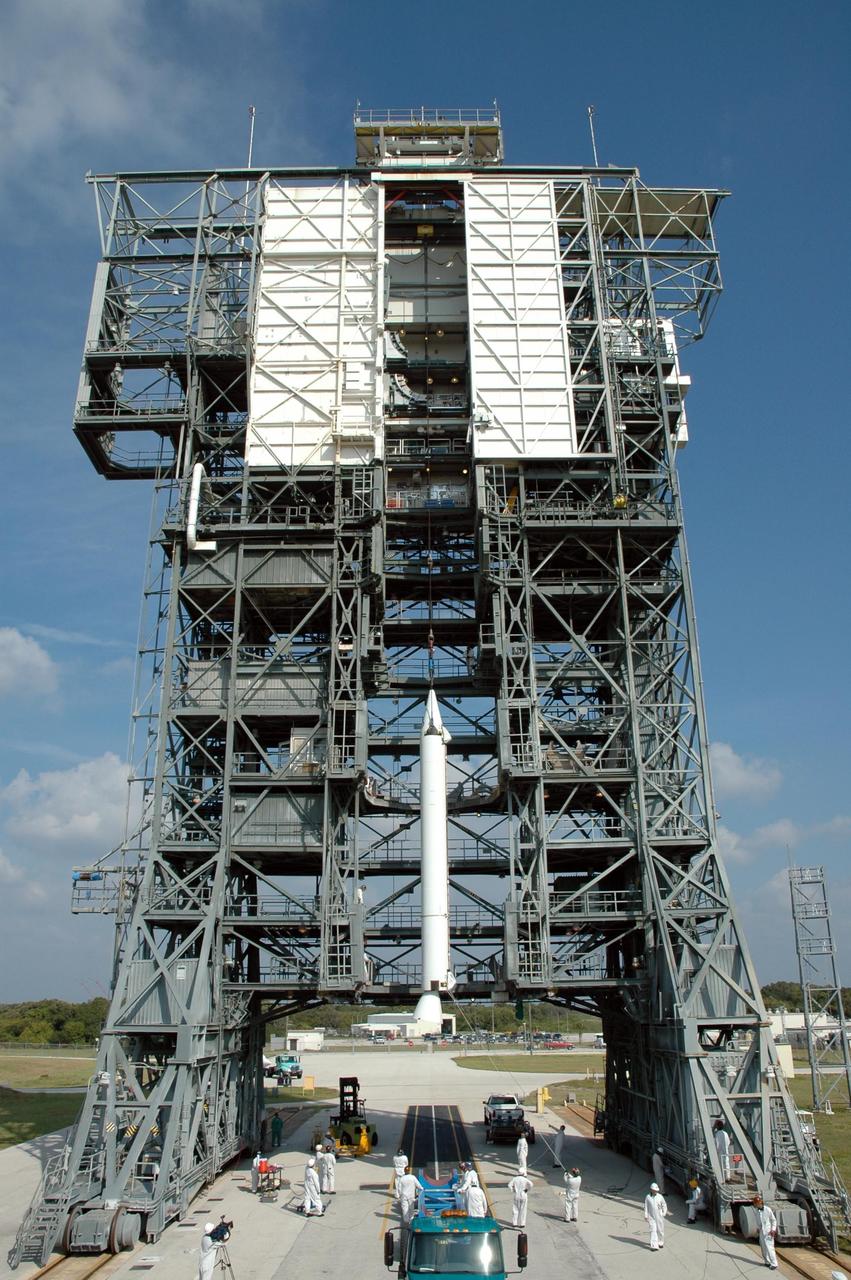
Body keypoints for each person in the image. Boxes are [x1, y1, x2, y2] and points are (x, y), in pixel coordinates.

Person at [753, 1196, 778, 1269]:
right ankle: (767, 1262)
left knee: (770, 1248)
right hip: (761, 1232)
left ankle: (774, 1264)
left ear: (760, 1203)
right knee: (763, 1248)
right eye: (755, 1204)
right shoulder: (757, 1211)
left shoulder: (768, 1210)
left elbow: (773, 1220)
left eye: (756, 1204)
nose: (756, 1205)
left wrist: (773, 1230)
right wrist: (758, 1228)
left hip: (768, 1232)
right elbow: (758, 1221)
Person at [644, 1182, 668, 1251]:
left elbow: (664, 1205)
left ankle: (660, 1242)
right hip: (651, 1217)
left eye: (656, 1190)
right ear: (651, 1190)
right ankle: (654, 1245)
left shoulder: (660, 1196)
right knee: (653, 1230)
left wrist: (664, 1213)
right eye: (654, 1190)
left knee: (660, 1230)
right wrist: (646, 1215)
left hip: (659, 1216)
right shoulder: (648, 1197)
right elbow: (646, 1206)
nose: (655, 1191)